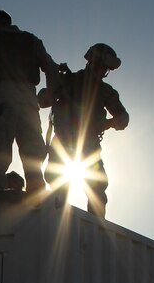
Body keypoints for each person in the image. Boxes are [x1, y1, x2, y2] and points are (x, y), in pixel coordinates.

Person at [40, 43, 130, 218]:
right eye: (99, 66)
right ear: (90, 63)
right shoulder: (68, 80)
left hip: (88, 144)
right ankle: (55, 221)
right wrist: (53, 87)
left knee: (97, 189)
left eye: (104, 69)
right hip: (64, 141)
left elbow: (123, 117)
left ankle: (97, 228)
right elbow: (42, 101)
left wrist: (113, 122)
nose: (101, 71)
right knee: (59, 185)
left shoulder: (105, 91)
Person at [0, 10, 59, 194]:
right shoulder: (32, 40)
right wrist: (50, 94)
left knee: (0, 146)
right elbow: (51, 68)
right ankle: (36, 193)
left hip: (4, 95)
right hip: (29, 99)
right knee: (32, 152)